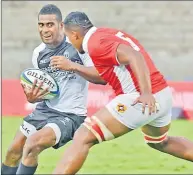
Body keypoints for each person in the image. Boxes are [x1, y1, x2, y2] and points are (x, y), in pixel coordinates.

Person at [50, 12, 193, 174]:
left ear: (75, 34)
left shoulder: (96, 43)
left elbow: (135, 56)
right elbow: (102, 78)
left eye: (68, 36)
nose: (69, 42)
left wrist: (146, 93)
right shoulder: (105, 34)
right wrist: (73, 66)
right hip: (162, 94)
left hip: (141, 98)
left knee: (83, 136)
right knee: (160, 142)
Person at [1, 6, 105, 175]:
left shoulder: (78, 46)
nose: (45, 30)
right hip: (45, 109)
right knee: (14, 150)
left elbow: (102, 77)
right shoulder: (38, 53)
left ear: (61, 25)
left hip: (70, 115)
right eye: (41, 25)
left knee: (32, 144)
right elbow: (45, 88)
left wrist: (71, 66)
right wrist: (33, 98)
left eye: (50, 24)